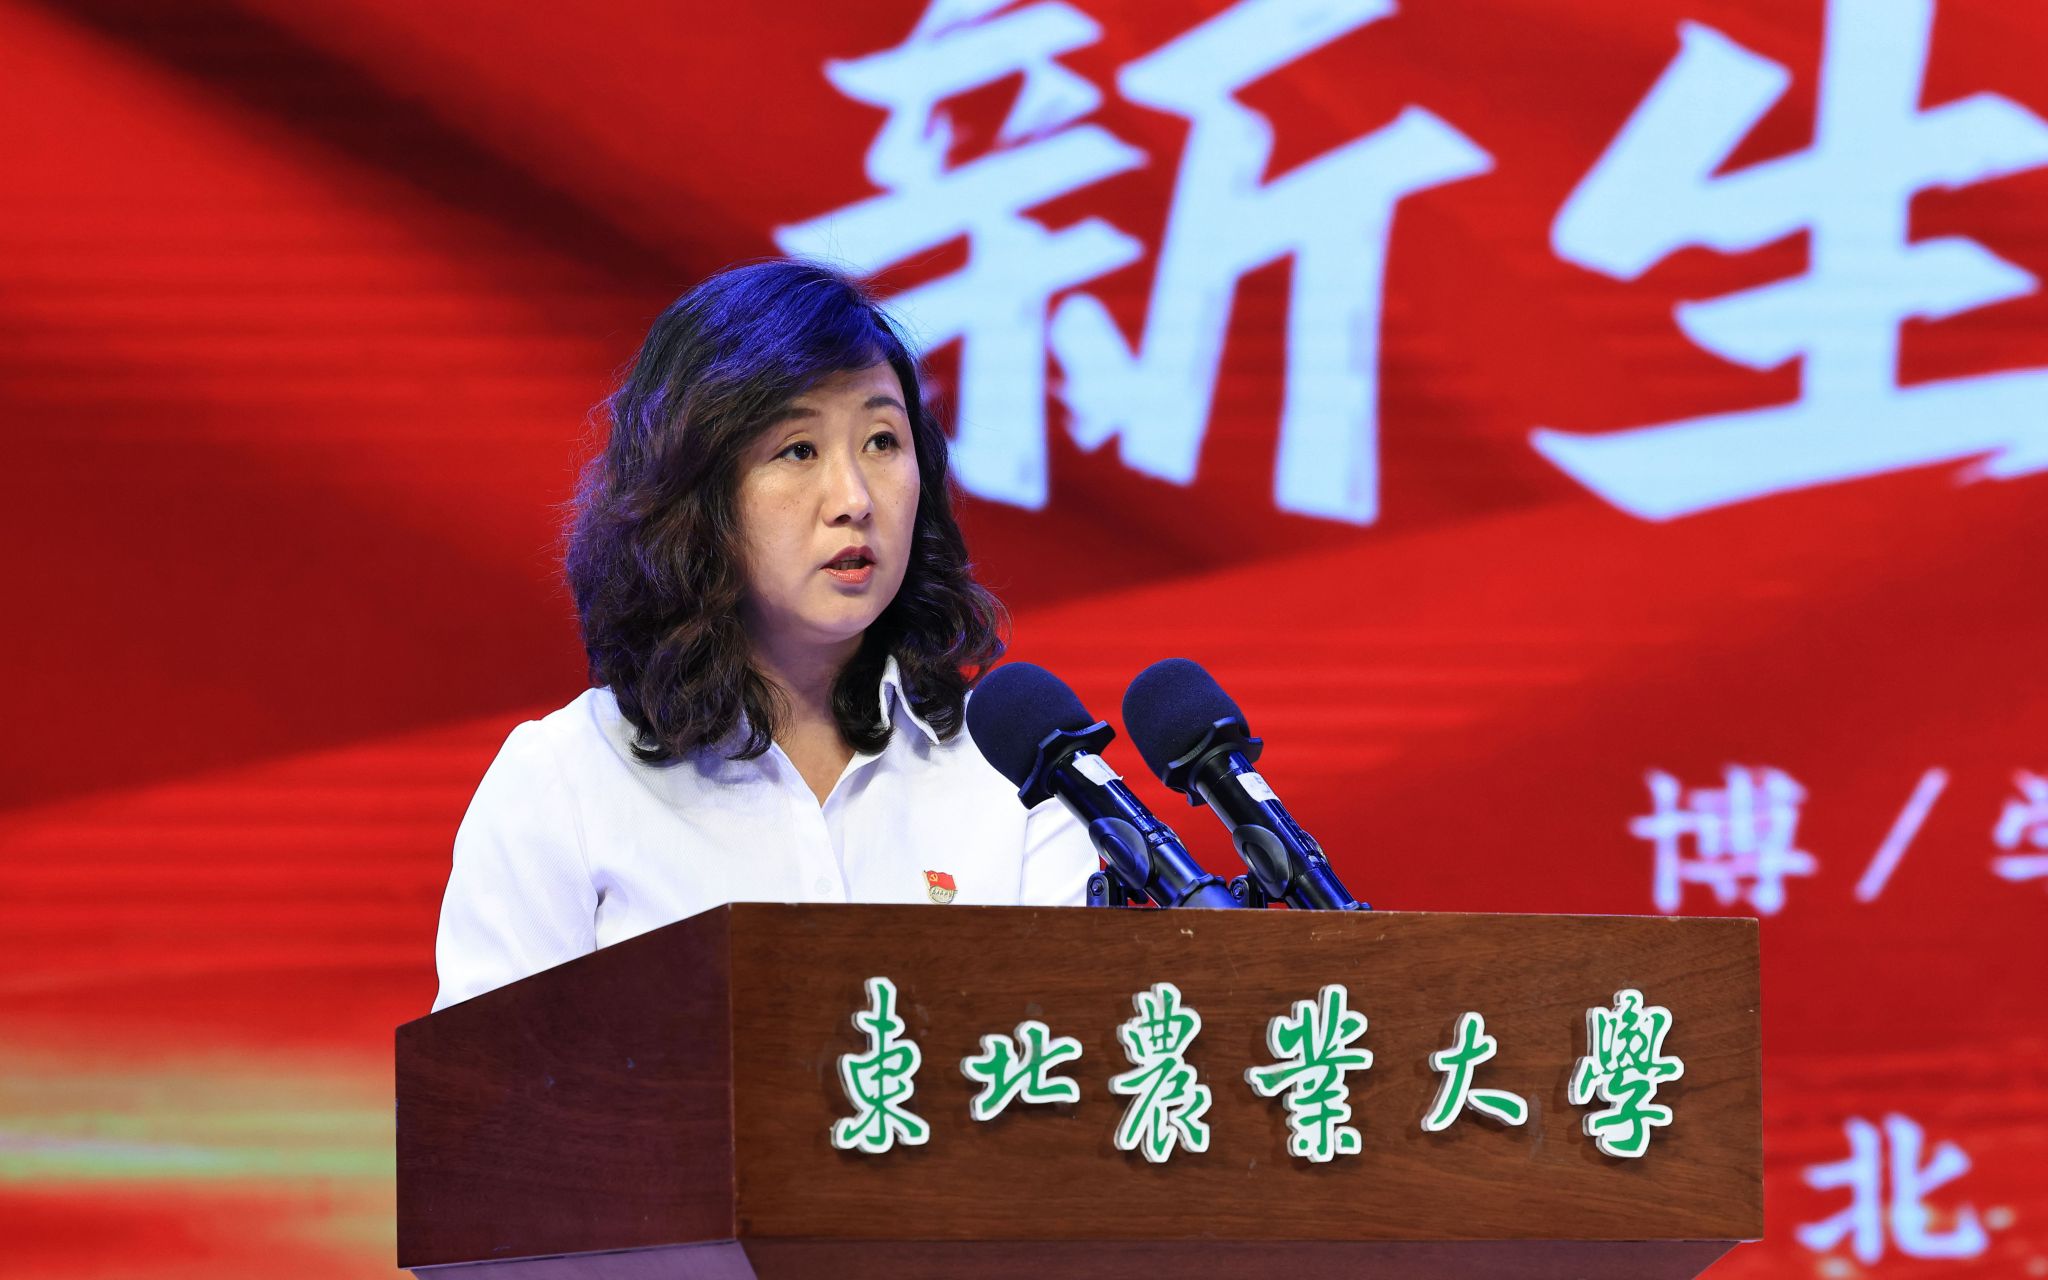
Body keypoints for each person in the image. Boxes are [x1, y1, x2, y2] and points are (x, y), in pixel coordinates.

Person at [431, 259, 1099, 1010]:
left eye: (882, 441)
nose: (853, 499)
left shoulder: (1014, 770)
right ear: (694, 493)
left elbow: (1079, 1058)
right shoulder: (566, 784)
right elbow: (487, 1081)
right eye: (798, 450)